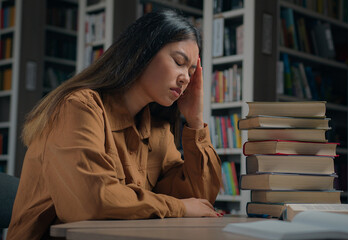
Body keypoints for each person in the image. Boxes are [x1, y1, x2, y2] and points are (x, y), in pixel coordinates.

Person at [7, 9, 222, 240]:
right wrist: (179, 208)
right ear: (142, 52)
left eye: (191, 72)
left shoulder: (157, 128)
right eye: (179, 62)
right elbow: (91, 202)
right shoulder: (78, 108)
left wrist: (195, 121)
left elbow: (199, 200)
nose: (186, 78)